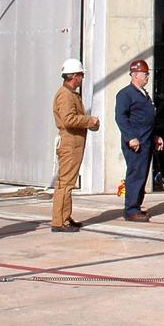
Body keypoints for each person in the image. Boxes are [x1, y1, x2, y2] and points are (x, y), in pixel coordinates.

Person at [52, 58, 100, 233]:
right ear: (74, 76)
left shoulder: (71, 94)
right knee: (65, 183)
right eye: (81, 75)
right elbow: (68, 119)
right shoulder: (65, 95)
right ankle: (59, 221)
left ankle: (65, 216)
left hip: (74, 143)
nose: (82, 79)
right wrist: (89, 120)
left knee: (68, 182)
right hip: (70, 143)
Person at [115, 58, 163, 222]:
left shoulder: (144, 95)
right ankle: (131, 209)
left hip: (146, 141)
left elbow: (149, 118)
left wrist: (155, 136)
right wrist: (131, 138)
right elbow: (121, 118)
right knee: (135, 174)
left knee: (142, 175)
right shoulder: (125, 94)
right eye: (145, 74)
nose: (147, 76)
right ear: (135, 75)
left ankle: (136, 205)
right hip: (136, 143)